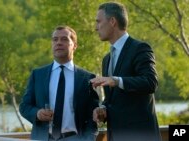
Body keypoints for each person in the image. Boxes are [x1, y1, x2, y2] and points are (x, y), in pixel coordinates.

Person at [90, 2, 162, 141]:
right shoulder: (107, 59)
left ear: (112, 21)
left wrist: (116, 80)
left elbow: (150, 82)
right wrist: (103, 109)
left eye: (99, 22)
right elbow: (114, 98)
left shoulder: (140, 48)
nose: (95, 27)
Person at [19, 25, 99, 141]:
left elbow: (92, 116)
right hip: (43, 138)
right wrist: (37, 113)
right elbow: (24, 106)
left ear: (74, 46)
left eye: (64, 39)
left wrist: (88, 138)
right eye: (55, 39)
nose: (59, 43)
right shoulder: (38, 75)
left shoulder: (86, 78)